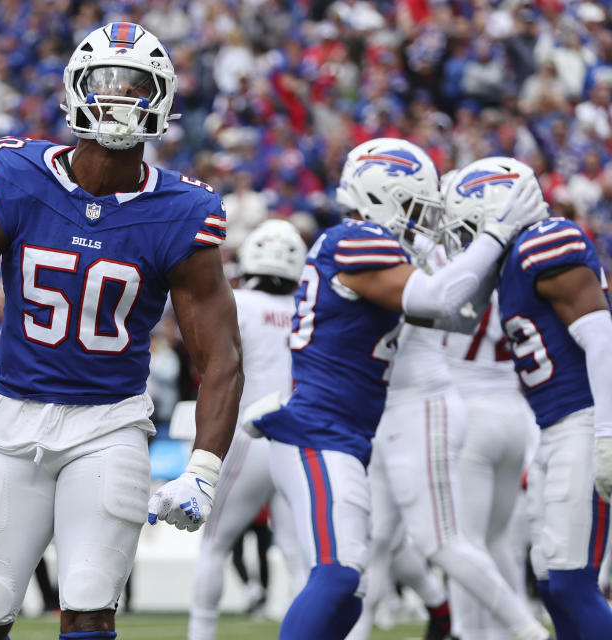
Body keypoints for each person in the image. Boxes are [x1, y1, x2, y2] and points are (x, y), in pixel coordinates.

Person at [0, 22, 243, 640]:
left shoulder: (184, 212)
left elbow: (221, 357)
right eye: (107, 84)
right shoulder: (18, 176)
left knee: (89, 606)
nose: (121, 99)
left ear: (162, 99)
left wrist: (204, 467)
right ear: (76, 90)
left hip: (110, 425)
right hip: (12, 419)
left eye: (137, 87)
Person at [249, 138, 550, 640]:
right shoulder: (359, 239)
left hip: (344, 433)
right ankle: (525, 630)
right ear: (380, 195)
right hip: (319, 432)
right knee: (340, 575)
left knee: (351, 591)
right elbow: (436, 296)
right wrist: (494, 235)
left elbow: (456, 315)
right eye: (412, 206)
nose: (419, 220)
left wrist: (495, 255)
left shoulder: (356, 244)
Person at [441, 156, 612, 639]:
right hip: (554, 426)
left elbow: (601, 337)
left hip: (583, 419)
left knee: (572, 580)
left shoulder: (544, 241)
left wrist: (606, 433)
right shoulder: (512, 262)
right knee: (550, 579)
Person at [188, 218, 306, 640]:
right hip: (297, 434)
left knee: (215, 544)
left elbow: (209, 364)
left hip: (248, 433)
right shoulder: (307, 308)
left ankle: (201, 633)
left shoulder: (237, 302)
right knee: (299, 555)